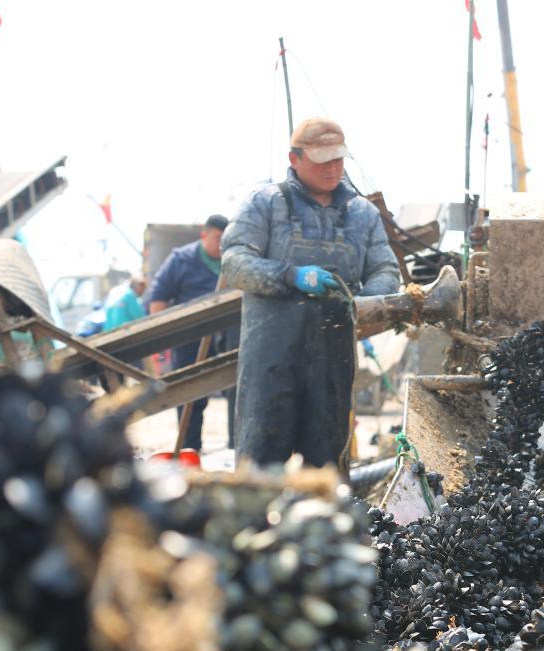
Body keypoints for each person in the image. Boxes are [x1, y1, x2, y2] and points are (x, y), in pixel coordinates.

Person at [221, 117, 399, 470]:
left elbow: (386, 270)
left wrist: (363, 304)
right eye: (321, 160)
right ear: (294, 158)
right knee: (260, 461)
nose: (332, 168)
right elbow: (234, 263)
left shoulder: (362, 213)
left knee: (327, 463)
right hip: (270, 361)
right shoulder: (265, 203)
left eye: (338, 159)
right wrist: (290, 276)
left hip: (333, 358)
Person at [145, 214, 230, 451]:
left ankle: (237, 450)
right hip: (189, 341)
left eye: (226, 240)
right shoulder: (181, 260)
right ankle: (189, 450)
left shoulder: (234, 260)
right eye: (218, 239)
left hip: (227, 338)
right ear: (204, 235)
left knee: (235, 394)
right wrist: (162, 339)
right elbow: (158, 299)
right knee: (190, 397)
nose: (222, 245)